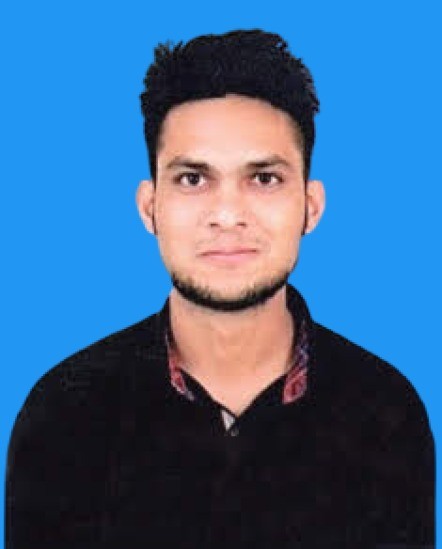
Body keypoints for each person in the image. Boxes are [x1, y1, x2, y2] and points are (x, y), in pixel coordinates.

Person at [5, 29, 434, 549]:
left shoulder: (385, 413)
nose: (227, 215)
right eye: (193, 179)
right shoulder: (65, 413)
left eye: (264, 178)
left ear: (311, 206)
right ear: (150, 207)